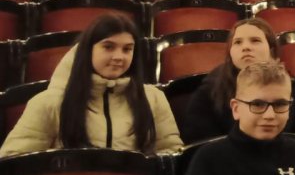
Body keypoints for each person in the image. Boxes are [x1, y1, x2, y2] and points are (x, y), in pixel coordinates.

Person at [1, 12, 181, 157]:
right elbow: (12, 160)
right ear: (88, 51)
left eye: (127, 49)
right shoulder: (48, 102)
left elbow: (171, 155)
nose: (119, 57)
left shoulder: (154, 98)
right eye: (108, 47)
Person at [180, 18, 295, 143]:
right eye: (238, 42)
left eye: (255, 40)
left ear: (271, 49)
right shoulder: (210, 89)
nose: (246, 47)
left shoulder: (289, 85)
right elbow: (198, 144)